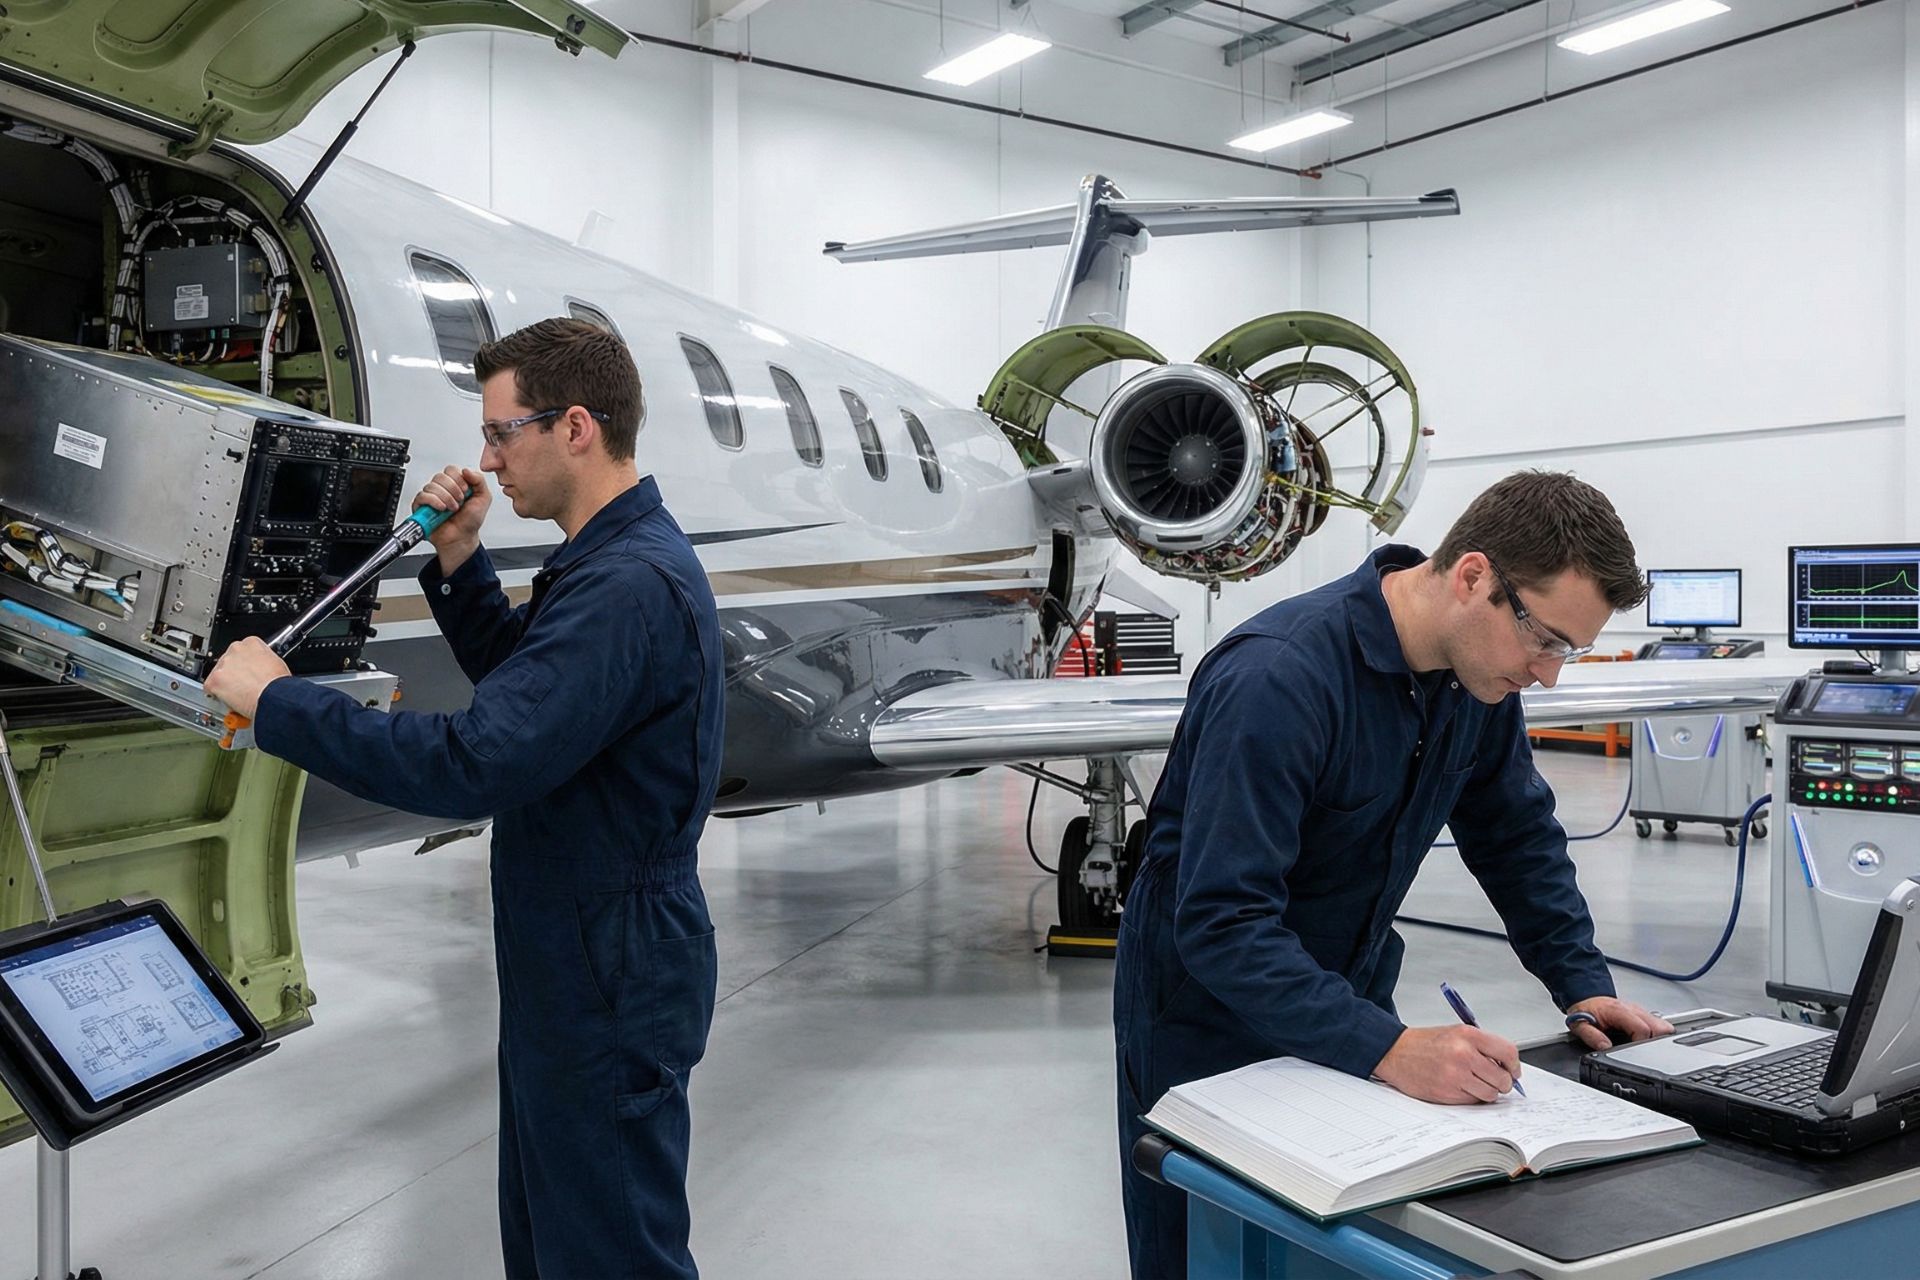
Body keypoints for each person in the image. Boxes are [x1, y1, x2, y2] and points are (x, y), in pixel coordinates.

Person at [206, 317, 724, 1279]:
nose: (486, 458)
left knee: (608, 1252)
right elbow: (536, 698)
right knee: (553, 1238)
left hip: (608, 963)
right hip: (577, 955)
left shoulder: (625, 584)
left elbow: (478, 763)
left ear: (574, 427)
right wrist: (459, 556)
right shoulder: (605, 561)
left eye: (500, 433)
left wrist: (280, 703)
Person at [1113, 470, 1675, 1278]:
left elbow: (1515, 836)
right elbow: (1222, 925)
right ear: (1474, 576)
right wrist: (1389, 1047)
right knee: (1204, 1247)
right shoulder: (1279, 679)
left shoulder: (1474, 683)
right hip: (1207, 1017)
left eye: (1569, 652)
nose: (1550, 675)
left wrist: (1580, 983)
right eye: (1546, 640)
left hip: (1350, 991)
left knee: (1331, 1247)